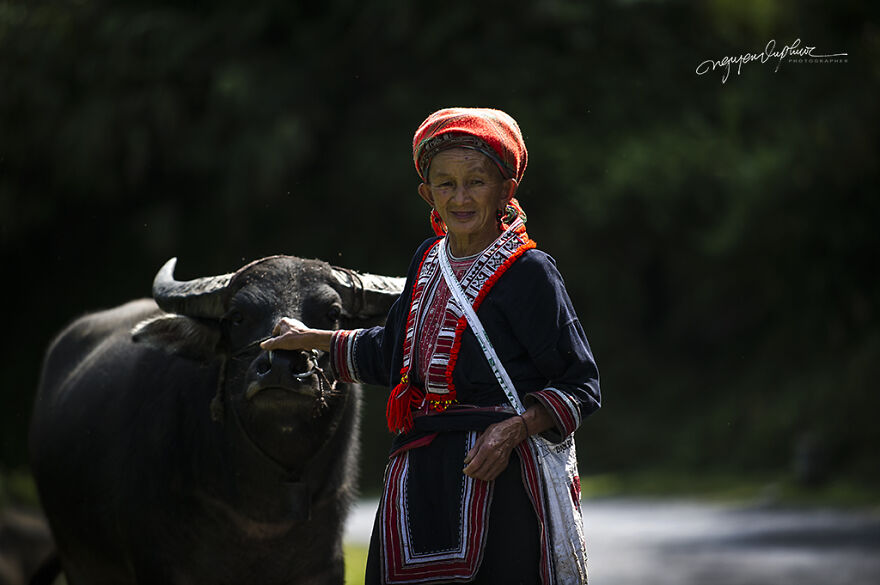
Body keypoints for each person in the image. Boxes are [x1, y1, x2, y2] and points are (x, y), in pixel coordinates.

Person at [261, 107, 601, 584]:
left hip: (499, 482)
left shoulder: (530, 272)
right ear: (428, 193)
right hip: (418, 482)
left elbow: (581, 383)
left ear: (506, 189)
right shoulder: (427, 260)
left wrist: (514, 431)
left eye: (477, 182)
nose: (460, 197)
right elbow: (393, 354)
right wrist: (310, 339)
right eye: (446, 184)